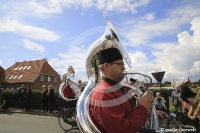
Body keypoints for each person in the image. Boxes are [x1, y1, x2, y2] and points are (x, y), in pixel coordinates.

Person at [88, 48, 154, 133]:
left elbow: (128, 110)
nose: (124, 68)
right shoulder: (104, 94)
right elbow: (121, 129)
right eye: (120, 64)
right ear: (106, 66)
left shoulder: (116, 88)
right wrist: (143, 108)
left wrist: (149, 111)